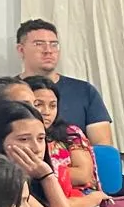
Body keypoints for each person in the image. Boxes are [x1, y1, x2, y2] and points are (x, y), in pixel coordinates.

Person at [13, 19, 116, 147]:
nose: (48, 50)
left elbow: (103, 147)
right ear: (21, 50)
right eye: (39, 44)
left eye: (54, 44)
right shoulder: (6, 91)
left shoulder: (83, 91)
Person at [25, 76, 106, 201]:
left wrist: (42, 174)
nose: (47, 112)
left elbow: (83, 175)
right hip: (33, 196)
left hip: (78, 196)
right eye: (38, 104)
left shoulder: (71, 133)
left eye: (53, 106)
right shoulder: (17, 136)